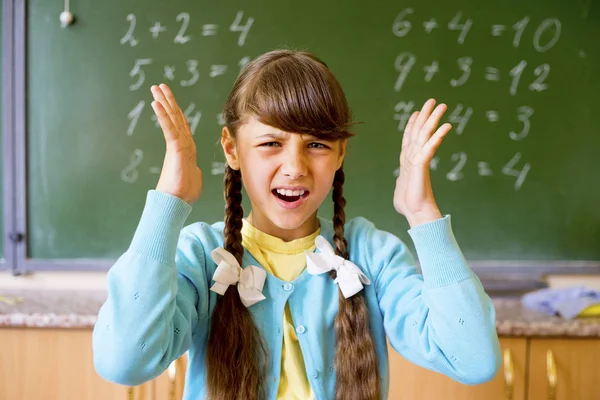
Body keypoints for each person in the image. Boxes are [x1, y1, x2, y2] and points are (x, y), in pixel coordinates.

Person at [92, 50, 501, 400]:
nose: (295, 167)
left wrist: (422, 212)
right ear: (232, 149)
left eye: (317, 145)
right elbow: (125, 361)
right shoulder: (200, 256)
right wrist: (169, 202)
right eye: (271, 143)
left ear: (341, 154)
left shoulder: (371, 255)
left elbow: (473, 359)